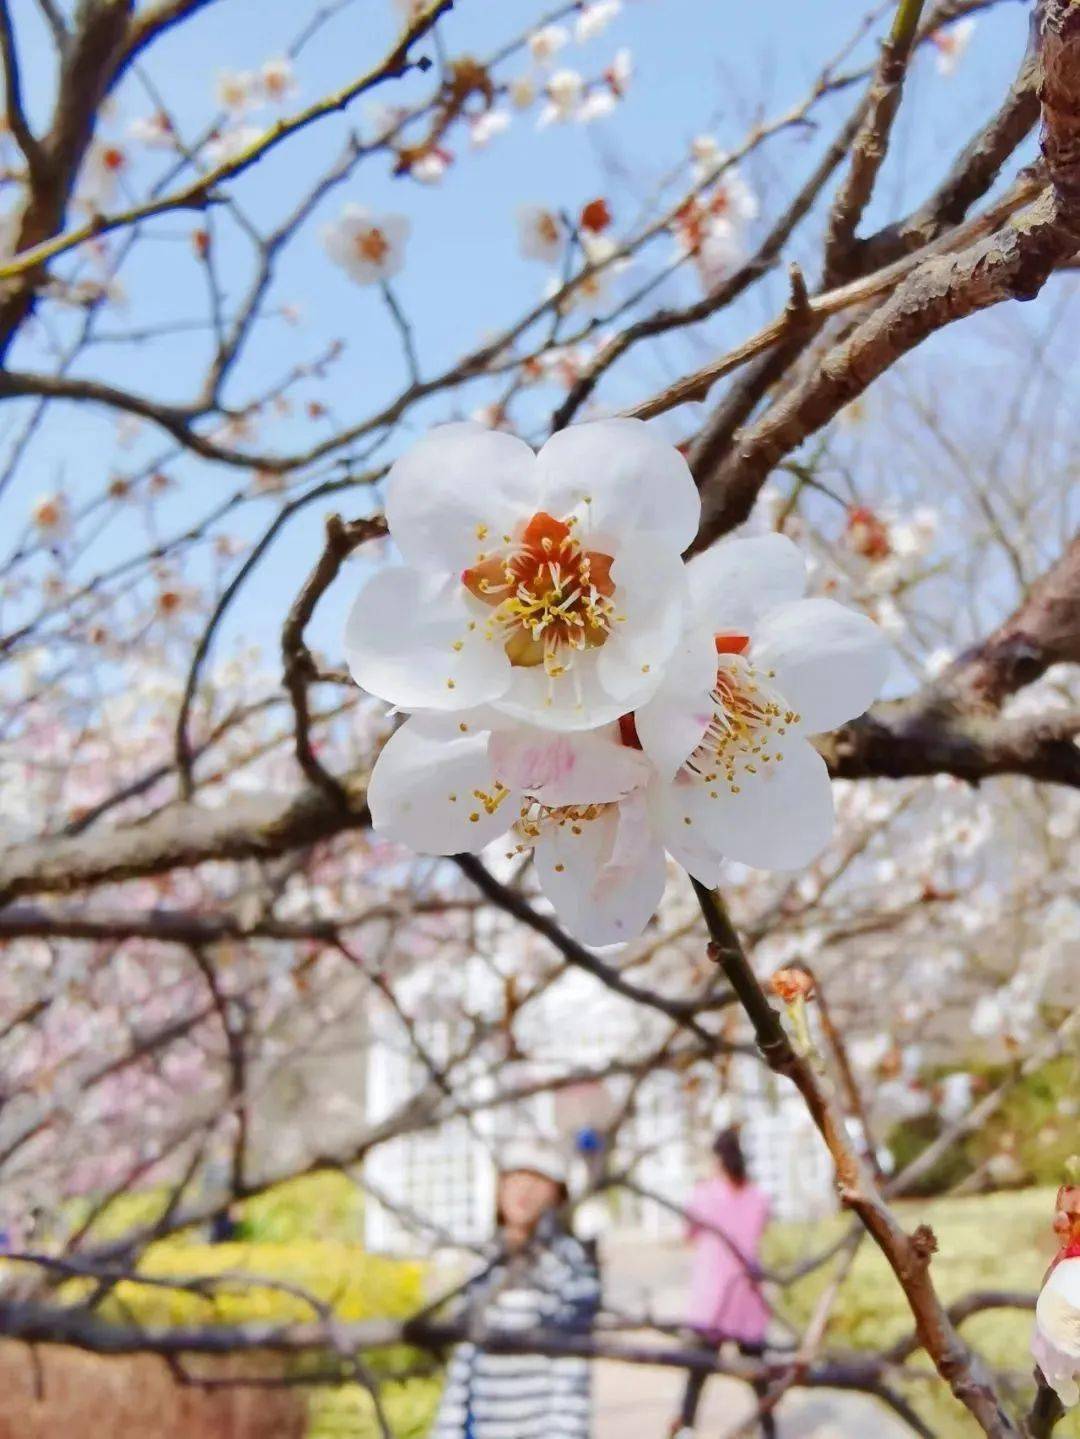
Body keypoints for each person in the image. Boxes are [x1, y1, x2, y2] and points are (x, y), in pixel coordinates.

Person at [431, 1137, 600, 1439]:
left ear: (558, 1196)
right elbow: (461, 1371)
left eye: (538, 1179)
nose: (524, 1189)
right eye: (514, 1178)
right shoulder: (482, 1262)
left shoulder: (568, 1268)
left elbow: (570, 1379)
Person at [670, 1127, 774, 1438]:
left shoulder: (703, 1194)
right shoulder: (758, 1196)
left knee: (698, 1370)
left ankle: (687, 1427)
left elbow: (688, 1234)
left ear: (717, 1159)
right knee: (758, 1374)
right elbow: (761, 1231)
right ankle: (770, 1428)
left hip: (712, 1298)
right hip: (747, 1295)